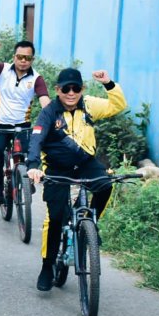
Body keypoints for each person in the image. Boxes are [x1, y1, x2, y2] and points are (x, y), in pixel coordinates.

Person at [27, 68, 126, 291]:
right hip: (57, 168)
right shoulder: (49, 113)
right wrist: (34, 166)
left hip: (84, 164)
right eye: (66, 88)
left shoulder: (89, 105)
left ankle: (91, 224)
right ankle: (47, 266)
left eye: (76, 88)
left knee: (105, 185)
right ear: (57, 90)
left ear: (82, 89)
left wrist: (108, 83)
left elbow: (118, 105)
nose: (71, 93)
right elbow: (36, 139)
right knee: (55, 218)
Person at [0, 39, 51, 206]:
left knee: (29, 154)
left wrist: (52, 118)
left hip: (22, 125)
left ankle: (26, 181)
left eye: (27, 58)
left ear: (32, 60)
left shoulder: (37, 78)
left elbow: (45, 101)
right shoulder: (2, 70)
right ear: (14, 57)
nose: (23, 61)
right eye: (20, 57)